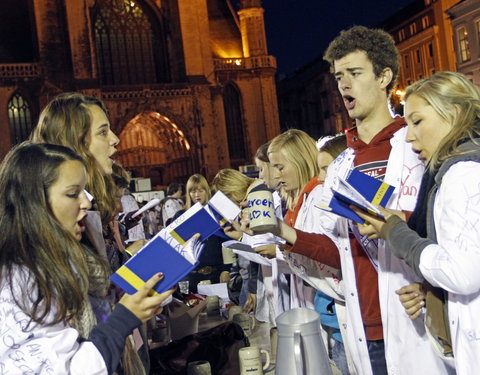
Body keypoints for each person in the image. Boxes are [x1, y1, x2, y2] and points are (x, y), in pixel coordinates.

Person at [269, 26, 452, 374]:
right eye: (339, 76)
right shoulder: (341, 166)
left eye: (354, 73)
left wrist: (432, 286)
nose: (343, 85)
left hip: (417, 319)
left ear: (385, 77)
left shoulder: (416, 148)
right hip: (362, 326)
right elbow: (340, 253)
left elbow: (451, 237)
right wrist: (283, 231)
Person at [0, 142, 174, 374]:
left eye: (85, 191)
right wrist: (124, 318)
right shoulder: (21, 276)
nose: (86, 202)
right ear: (34, 202)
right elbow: (62, 368)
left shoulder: (62, 256)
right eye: (73, 194)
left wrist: (129, 296)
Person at [354, 71, 480, 375]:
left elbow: (461, 273)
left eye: (418, 121)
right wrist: (433, 294)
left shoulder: (462, 174)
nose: (409, 137)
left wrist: (394, 231)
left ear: (455, 114)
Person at [31, 92, 151, 373]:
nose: (116, 140)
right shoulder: (53, 234)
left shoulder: (94, 212)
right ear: (76, 143)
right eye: (103, 132)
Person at [173, 174, 231, 293]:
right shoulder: (180, 216)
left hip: (216, 275)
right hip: (190, 277)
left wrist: (226, 270)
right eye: (193, 191)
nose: (196, 194)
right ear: (188, 193)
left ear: (207, 191)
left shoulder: (217, 214)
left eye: (200, 190)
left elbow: (227, 244)